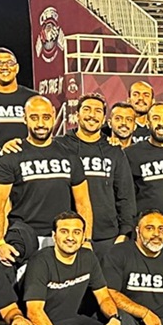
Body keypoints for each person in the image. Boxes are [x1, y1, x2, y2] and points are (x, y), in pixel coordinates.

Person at [0, 95, 93, 264]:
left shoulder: (70, 156)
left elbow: (83, 203)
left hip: (62, 238)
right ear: (25, 118)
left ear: (53, 115)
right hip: (24, 238)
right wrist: (0, 243)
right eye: (34, 117)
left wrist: (86, 239)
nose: (40, 124)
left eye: (45, 117)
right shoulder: (11, 157)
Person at [59, 94, 137, 256]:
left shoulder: (113, 150)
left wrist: (125, 233)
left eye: (98, 111)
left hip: (107, 237)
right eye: (87, 109)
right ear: (77, 115)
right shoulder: (59, 146)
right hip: (67, 235)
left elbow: (125, 195)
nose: (92, 115)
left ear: (103, 119)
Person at [125, 102, 163, 252]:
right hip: (145, 236)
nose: (161, 123)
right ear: (147, 122)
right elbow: (125, 198)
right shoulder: (131, 154)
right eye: (156, 118)